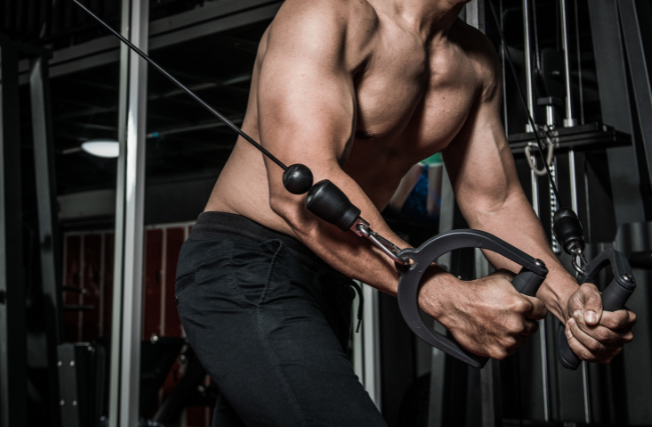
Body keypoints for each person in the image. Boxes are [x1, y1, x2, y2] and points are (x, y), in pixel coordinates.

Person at [174, 0, 637, 425]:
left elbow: (494, 202)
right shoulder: (329, 13)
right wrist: (441, 293)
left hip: (334, 274)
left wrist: (572, 302)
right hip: (243, 263)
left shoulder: (476, 60)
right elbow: (302, 186)